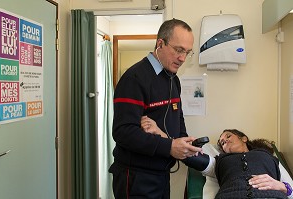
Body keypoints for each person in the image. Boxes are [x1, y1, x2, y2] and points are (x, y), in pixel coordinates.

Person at [108, 18, 202, 199]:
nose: (182, 58)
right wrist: (169, 146)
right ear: (160, 43)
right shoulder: (134, 78)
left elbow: (177, 116)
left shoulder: (172, 78)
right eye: (178, 50)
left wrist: (183, 142)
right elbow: (123, 132)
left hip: (160, 173)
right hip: (136, 177)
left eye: (187, 52)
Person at [141, 119, 293, 199]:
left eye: (228, 136)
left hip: (270, 196)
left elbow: (291, 189)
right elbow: (188, 154)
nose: (224, 141)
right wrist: (159, 133)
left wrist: (282, 187)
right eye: (221, 142)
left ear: (244, 138)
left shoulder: (267, 156)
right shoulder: (220, 161)